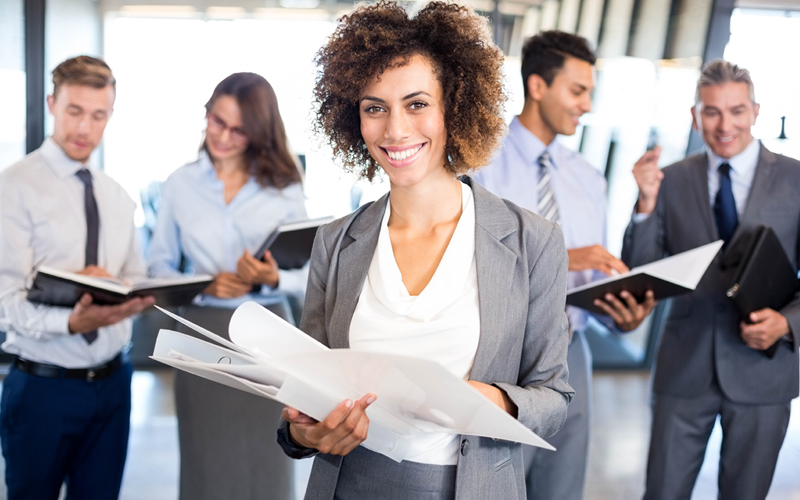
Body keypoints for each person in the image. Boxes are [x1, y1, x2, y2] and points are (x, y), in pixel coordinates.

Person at [275, 2, 573, 498]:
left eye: (416, 104)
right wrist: (305, 432)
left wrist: (492, 400)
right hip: (350, 483)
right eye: (375, 108)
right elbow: (307, 399)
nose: (395, 130)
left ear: (454, 106)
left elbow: (555, 400)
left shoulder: (531, 240)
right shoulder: (336, 243)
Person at [472, 30, 656, 500]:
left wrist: (620, 313)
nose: (586, 105)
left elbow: (593, 280)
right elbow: (467, 260)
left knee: (562, 488)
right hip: (497, 357)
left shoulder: (588, 179)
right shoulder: (479, 164)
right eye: (578, 91)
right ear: (538, 86)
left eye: (589, 93)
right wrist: (563, 259)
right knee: (495, 485)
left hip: (571, 355)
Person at [624, 60, 800, 500]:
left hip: (765, 370)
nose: (725, 125)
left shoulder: (797, 179)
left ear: (756, 112)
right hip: (686, 366)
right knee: (663, 492)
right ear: (695, 116)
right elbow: (640, 271)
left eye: (737, 111)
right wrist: (645, 202)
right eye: (712, 112)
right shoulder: (671, 179)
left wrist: (788, 323)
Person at [147, 72, 308, 500]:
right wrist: (202, 286)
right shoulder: (180, 183)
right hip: (201, 331)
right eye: (217, 121)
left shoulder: (286, 185)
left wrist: (272, 277)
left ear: (259, 132)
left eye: (239, 129)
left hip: (268, 332)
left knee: (266, 461)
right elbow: (157, 269)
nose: (223, 136)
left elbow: (312, 273)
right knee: (205, 460)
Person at [0, 56, 154, 499]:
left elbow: (136, 278)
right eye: (74, 111)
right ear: (52, 103)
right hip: (42, 390)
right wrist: (71, 322)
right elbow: (5, 301)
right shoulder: (15, 186)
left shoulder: (117, 196)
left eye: (98, 115)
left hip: (112, 386)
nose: (84, 127)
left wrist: (124, 297)